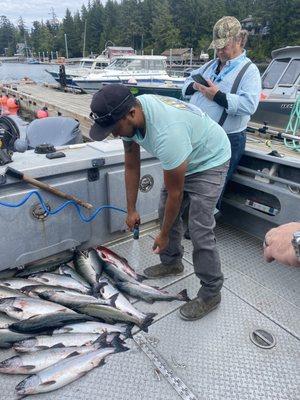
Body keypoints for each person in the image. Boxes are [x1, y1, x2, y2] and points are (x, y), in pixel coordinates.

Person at [89, 84, 231, 321]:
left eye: (114, 128)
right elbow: (132, 164)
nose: (114, 134)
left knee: (199, 229)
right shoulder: (130, 115)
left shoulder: (167, 133)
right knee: (164, 210)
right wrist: (131, 209)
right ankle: (173, 262)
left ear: (131, 114)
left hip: (210, 160)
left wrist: (163, 235)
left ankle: (211, 291)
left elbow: (176, 194)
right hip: (184, 154)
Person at [182, 16, 261, 223]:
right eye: (216, 48)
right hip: (200, 136)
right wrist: (195, 86)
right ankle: (190, 220)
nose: (218, 52)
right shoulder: (210, 65)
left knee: (213, 187)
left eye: (223, 47)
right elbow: (184, 84)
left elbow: (249, 105)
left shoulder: (249, 71)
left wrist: (216, 95)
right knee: (193, 180)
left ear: (237, 41)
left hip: (227, 139)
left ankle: (203, 228)